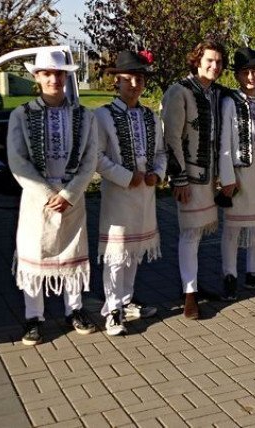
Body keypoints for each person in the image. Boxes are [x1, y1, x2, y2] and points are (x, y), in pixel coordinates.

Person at [8, 51, 98, 345]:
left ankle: (75, 310)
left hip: (73, 196)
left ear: (66, 77)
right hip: (37, 199)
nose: (53, 79)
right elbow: (17, 160)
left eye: (58, 74)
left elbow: (90, 158)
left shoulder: (84, 116)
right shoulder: (21, 115)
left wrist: (70, 193)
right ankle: (34, 316)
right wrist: (47, 194)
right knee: (35, 252)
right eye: (47, 73)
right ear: (36, 77)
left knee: (72, 253)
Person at [95, 50, 165, 336]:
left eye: (139, 78)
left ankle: (126, 300)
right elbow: (97, 157)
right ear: (117, 81)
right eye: (128, 79)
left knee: (134, 251)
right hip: (118, 195)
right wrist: (126, 177)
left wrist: (157, 174)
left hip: (144, 195)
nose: (134, 84)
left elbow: (161, 152)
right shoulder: (102, 115)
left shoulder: (150, 116)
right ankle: (111, 309)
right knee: (115, 253)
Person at [162, 41, 227, 319]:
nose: (215, 66)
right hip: (189, 176)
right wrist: (179, 179)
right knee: (189, 233)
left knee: (198, 234)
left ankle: (193, 285)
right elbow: (171, 137)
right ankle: (189, 295)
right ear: (197, 61)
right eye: (210, 60)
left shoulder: (216, 93)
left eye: (219, 62)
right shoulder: (180, 91)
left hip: (209, 177)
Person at [218, 47, 255, 300]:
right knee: (233, 227)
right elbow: (224, 143)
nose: (251, 77)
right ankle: (229, 275)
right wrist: (227, 178)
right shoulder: (231, 102)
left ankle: (254, 272)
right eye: (246, 72)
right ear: (238, 76)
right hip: (240, 170)